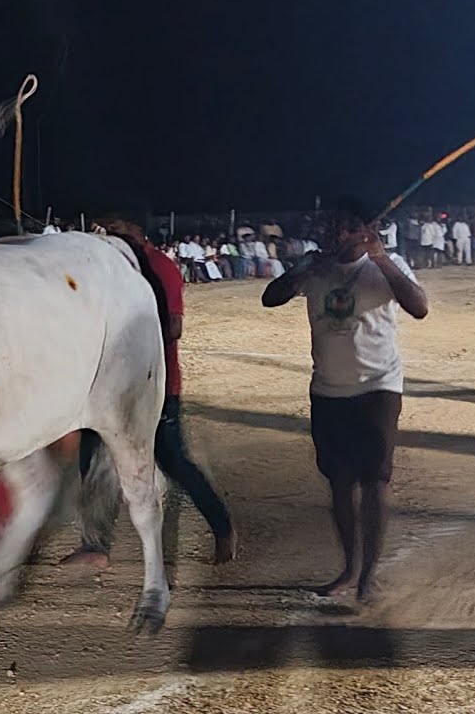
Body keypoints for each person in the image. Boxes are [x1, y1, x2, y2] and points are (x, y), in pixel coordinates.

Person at [261, 200, 428, 604]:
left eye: (344, 227)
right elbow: (271, 297)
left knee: (374, 482)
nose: (335, 234)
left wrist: (381, 258)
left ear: (365, 230)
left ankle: (369, 574)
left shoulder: (388, 265)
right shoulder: (315, 267)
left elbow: (419, 307)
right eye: (331, 226)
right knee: (338, 483)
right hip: (328, 389)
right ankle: (349, 568)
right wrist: (303, 269)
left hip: (378, 387)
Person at [61, 226, 237, 568]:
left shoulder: (160, 267)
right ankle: (94, 544)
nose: (103, 234)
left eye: (112, 229)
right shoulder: (106, 266)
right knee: (94, 460)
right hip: (103, 388)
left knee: (174, 462)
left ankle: (222, 526)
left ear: (135, 231)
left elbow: (174, 327)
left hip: (153, 385)